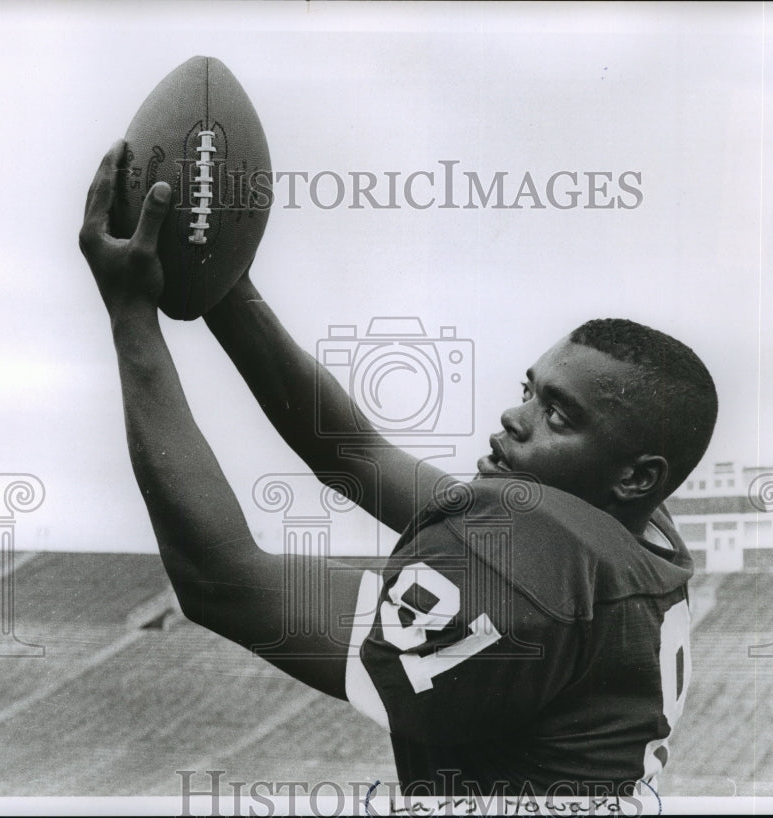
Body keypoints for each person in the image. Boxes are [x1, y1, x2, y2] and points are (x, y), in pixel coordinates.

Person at [79, 140, 718, 797]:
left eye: (559, 416)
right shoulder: (632, 529)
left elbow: (221, 582)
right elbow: (353, 454)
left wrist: (131, 314)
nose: (514, 418)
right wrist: (223, 283)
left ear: (638, 477)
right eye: (529, 390)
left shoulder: (534, 572)